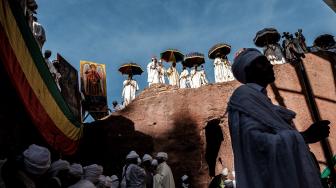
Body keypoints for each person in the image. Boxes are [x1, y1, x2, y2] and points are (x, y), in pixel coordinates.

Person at [228, 48, 330, 188]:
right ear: (248, 71)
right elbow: (256, 144)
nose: (270, 65)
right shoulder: (244, 98)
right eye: (262, 63)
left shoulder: (261, 101)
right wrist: (304, 137)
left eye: (268, 62)